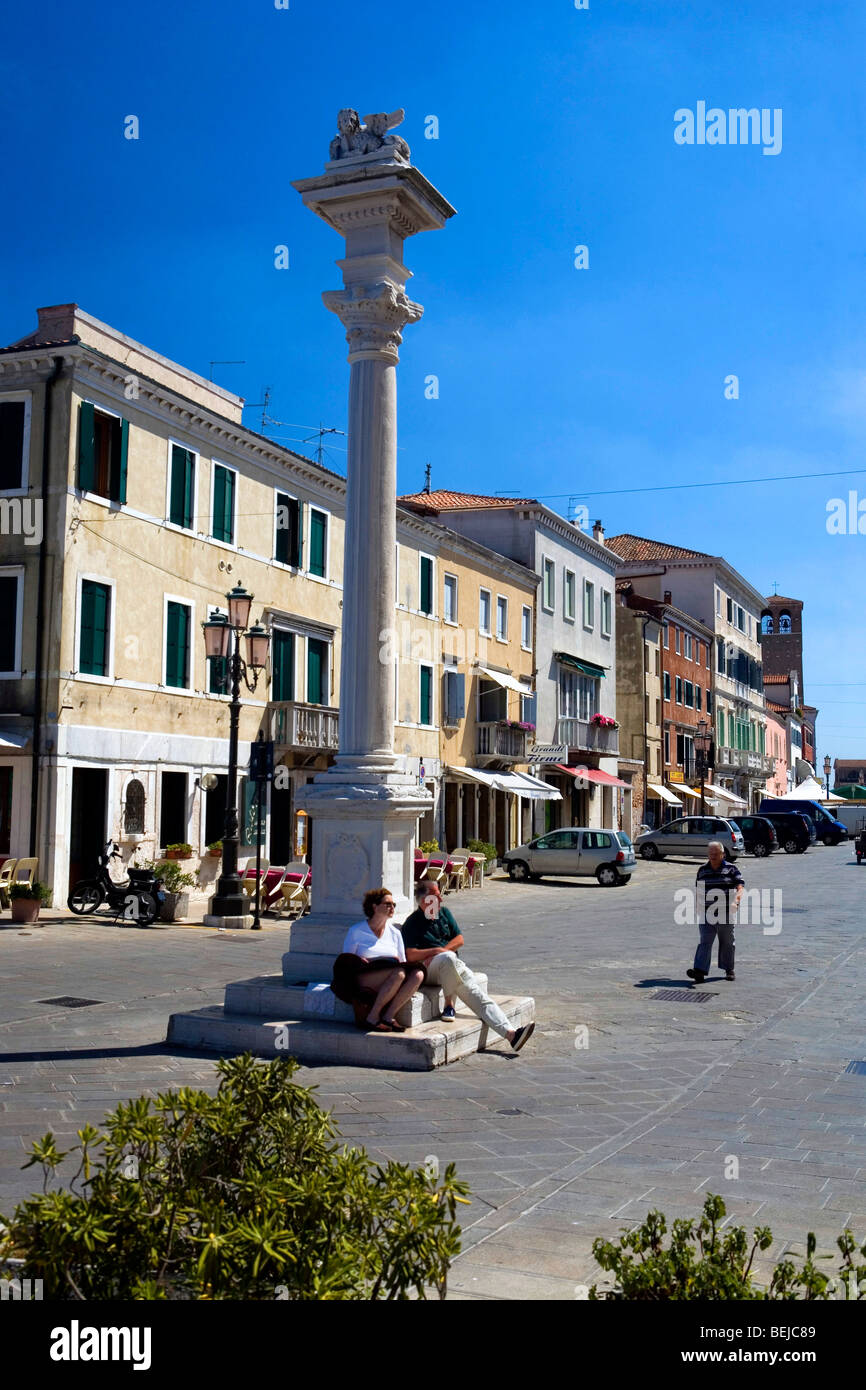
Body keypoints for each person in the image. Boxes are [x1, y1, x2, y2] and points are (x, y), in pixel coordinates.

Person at [401, 878, 535, 1051]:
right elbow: (410, 954)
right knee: (448, 958)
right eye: (436, 896)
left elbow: (459, 939)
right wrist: (434, 952)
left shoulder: (444, 913)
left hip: (452, 965)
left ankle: (511, 1034)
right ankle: (449, 1005)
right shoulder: (413, 922)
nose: (440, 900)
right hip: (429, 969)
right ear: (424, 900)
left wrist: (442, 950)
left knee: (479, 996)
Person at [331, 887, 425, 1032]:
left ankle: (388, 1016)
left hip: (393, 974)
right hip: (365, 977)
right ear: (374, 906)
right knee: (399, 973)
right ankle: (372, 1017)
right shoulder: (356, 931)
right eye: (388, 904)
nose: (392, 907)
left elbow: (402, 961)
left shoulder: (395, 933)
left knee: (418, 974)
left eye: (394, 905)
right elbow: (346, 963)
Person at [686, 840, 745, 984]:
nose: (712, 857)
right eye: (710, 854)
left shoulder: (731, 869)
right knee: (705, 941)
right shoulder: (702, 870)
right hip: (707, 912)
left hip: (725, 911)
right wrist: (698, 906)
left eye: (716, 854)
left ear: (723, 854)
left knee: (727, 942)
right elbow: (699, 890)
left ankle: (728, 969)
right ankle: (699, 971)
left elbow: (740, 887)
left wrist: (735, 901)